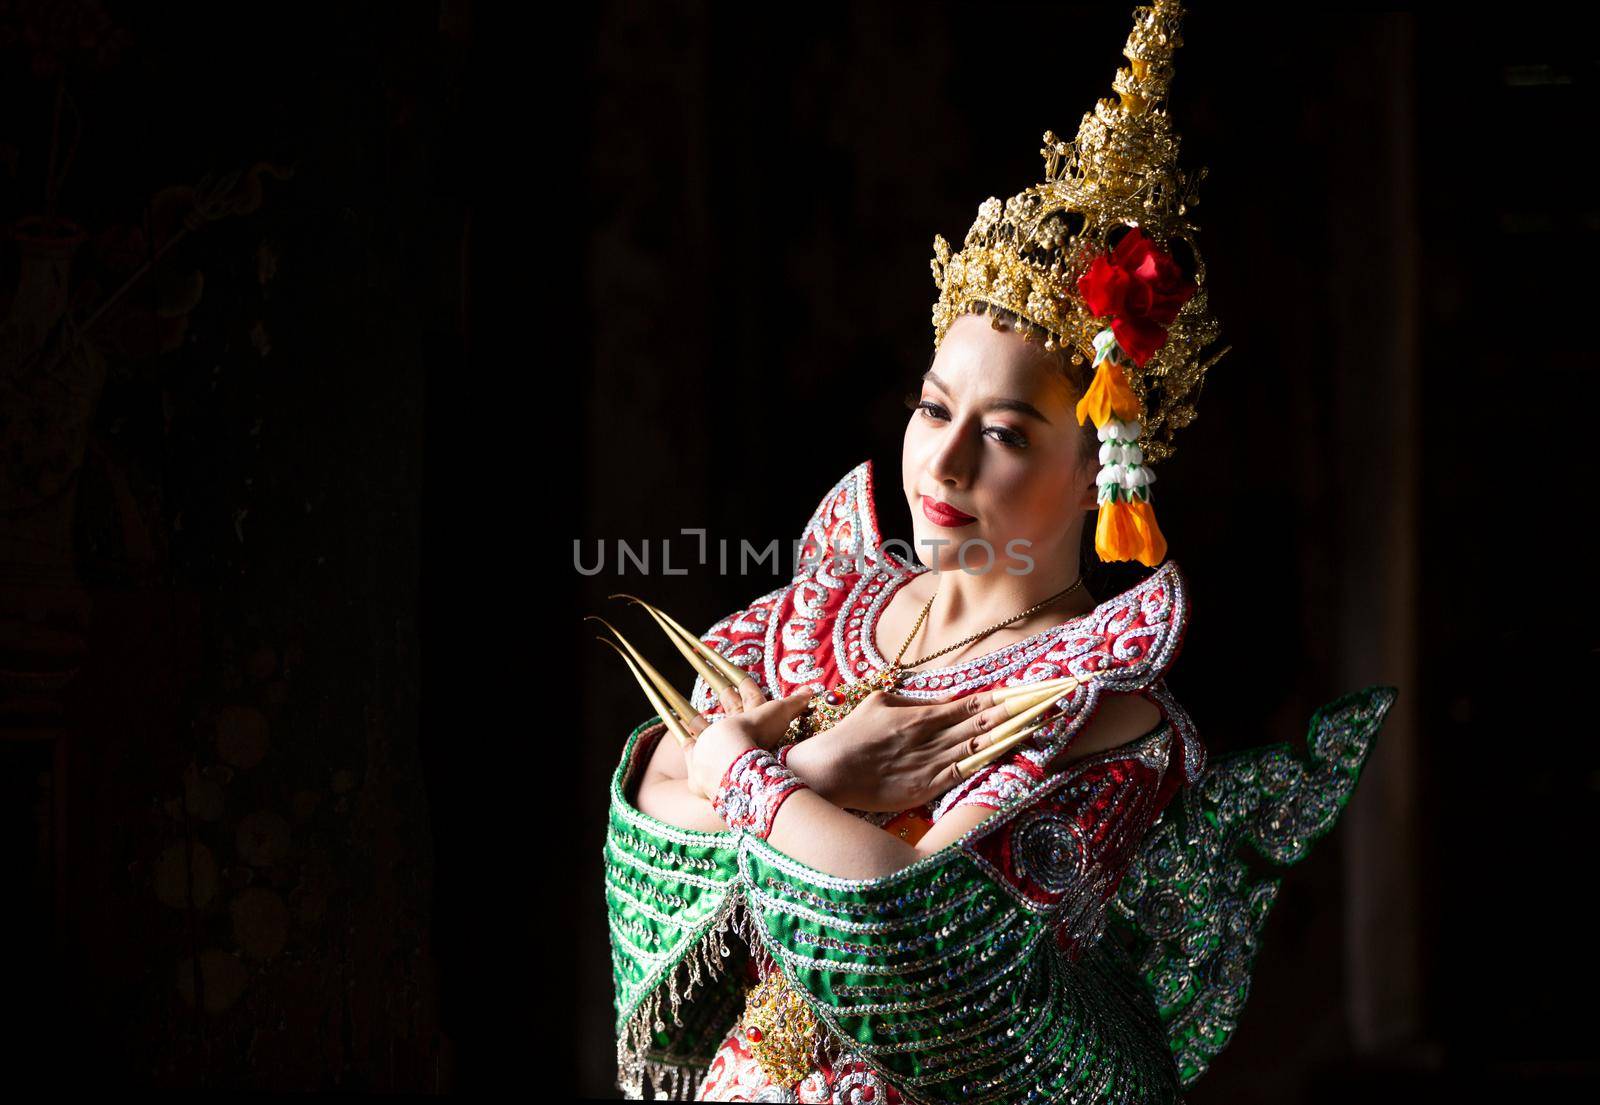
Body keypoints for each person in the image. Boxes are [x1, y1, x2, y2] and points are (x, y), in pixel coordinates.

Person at [601, 2, 1396, 1101]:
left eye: (1007, 435)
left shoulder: (1091, 695)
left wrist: (740, 769)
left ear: (1099, 470)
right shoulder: (834, 603)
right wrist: (816, 780)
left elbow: (914, 929)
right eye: (934, 410)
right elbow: (647, 799)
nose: (946, 465)